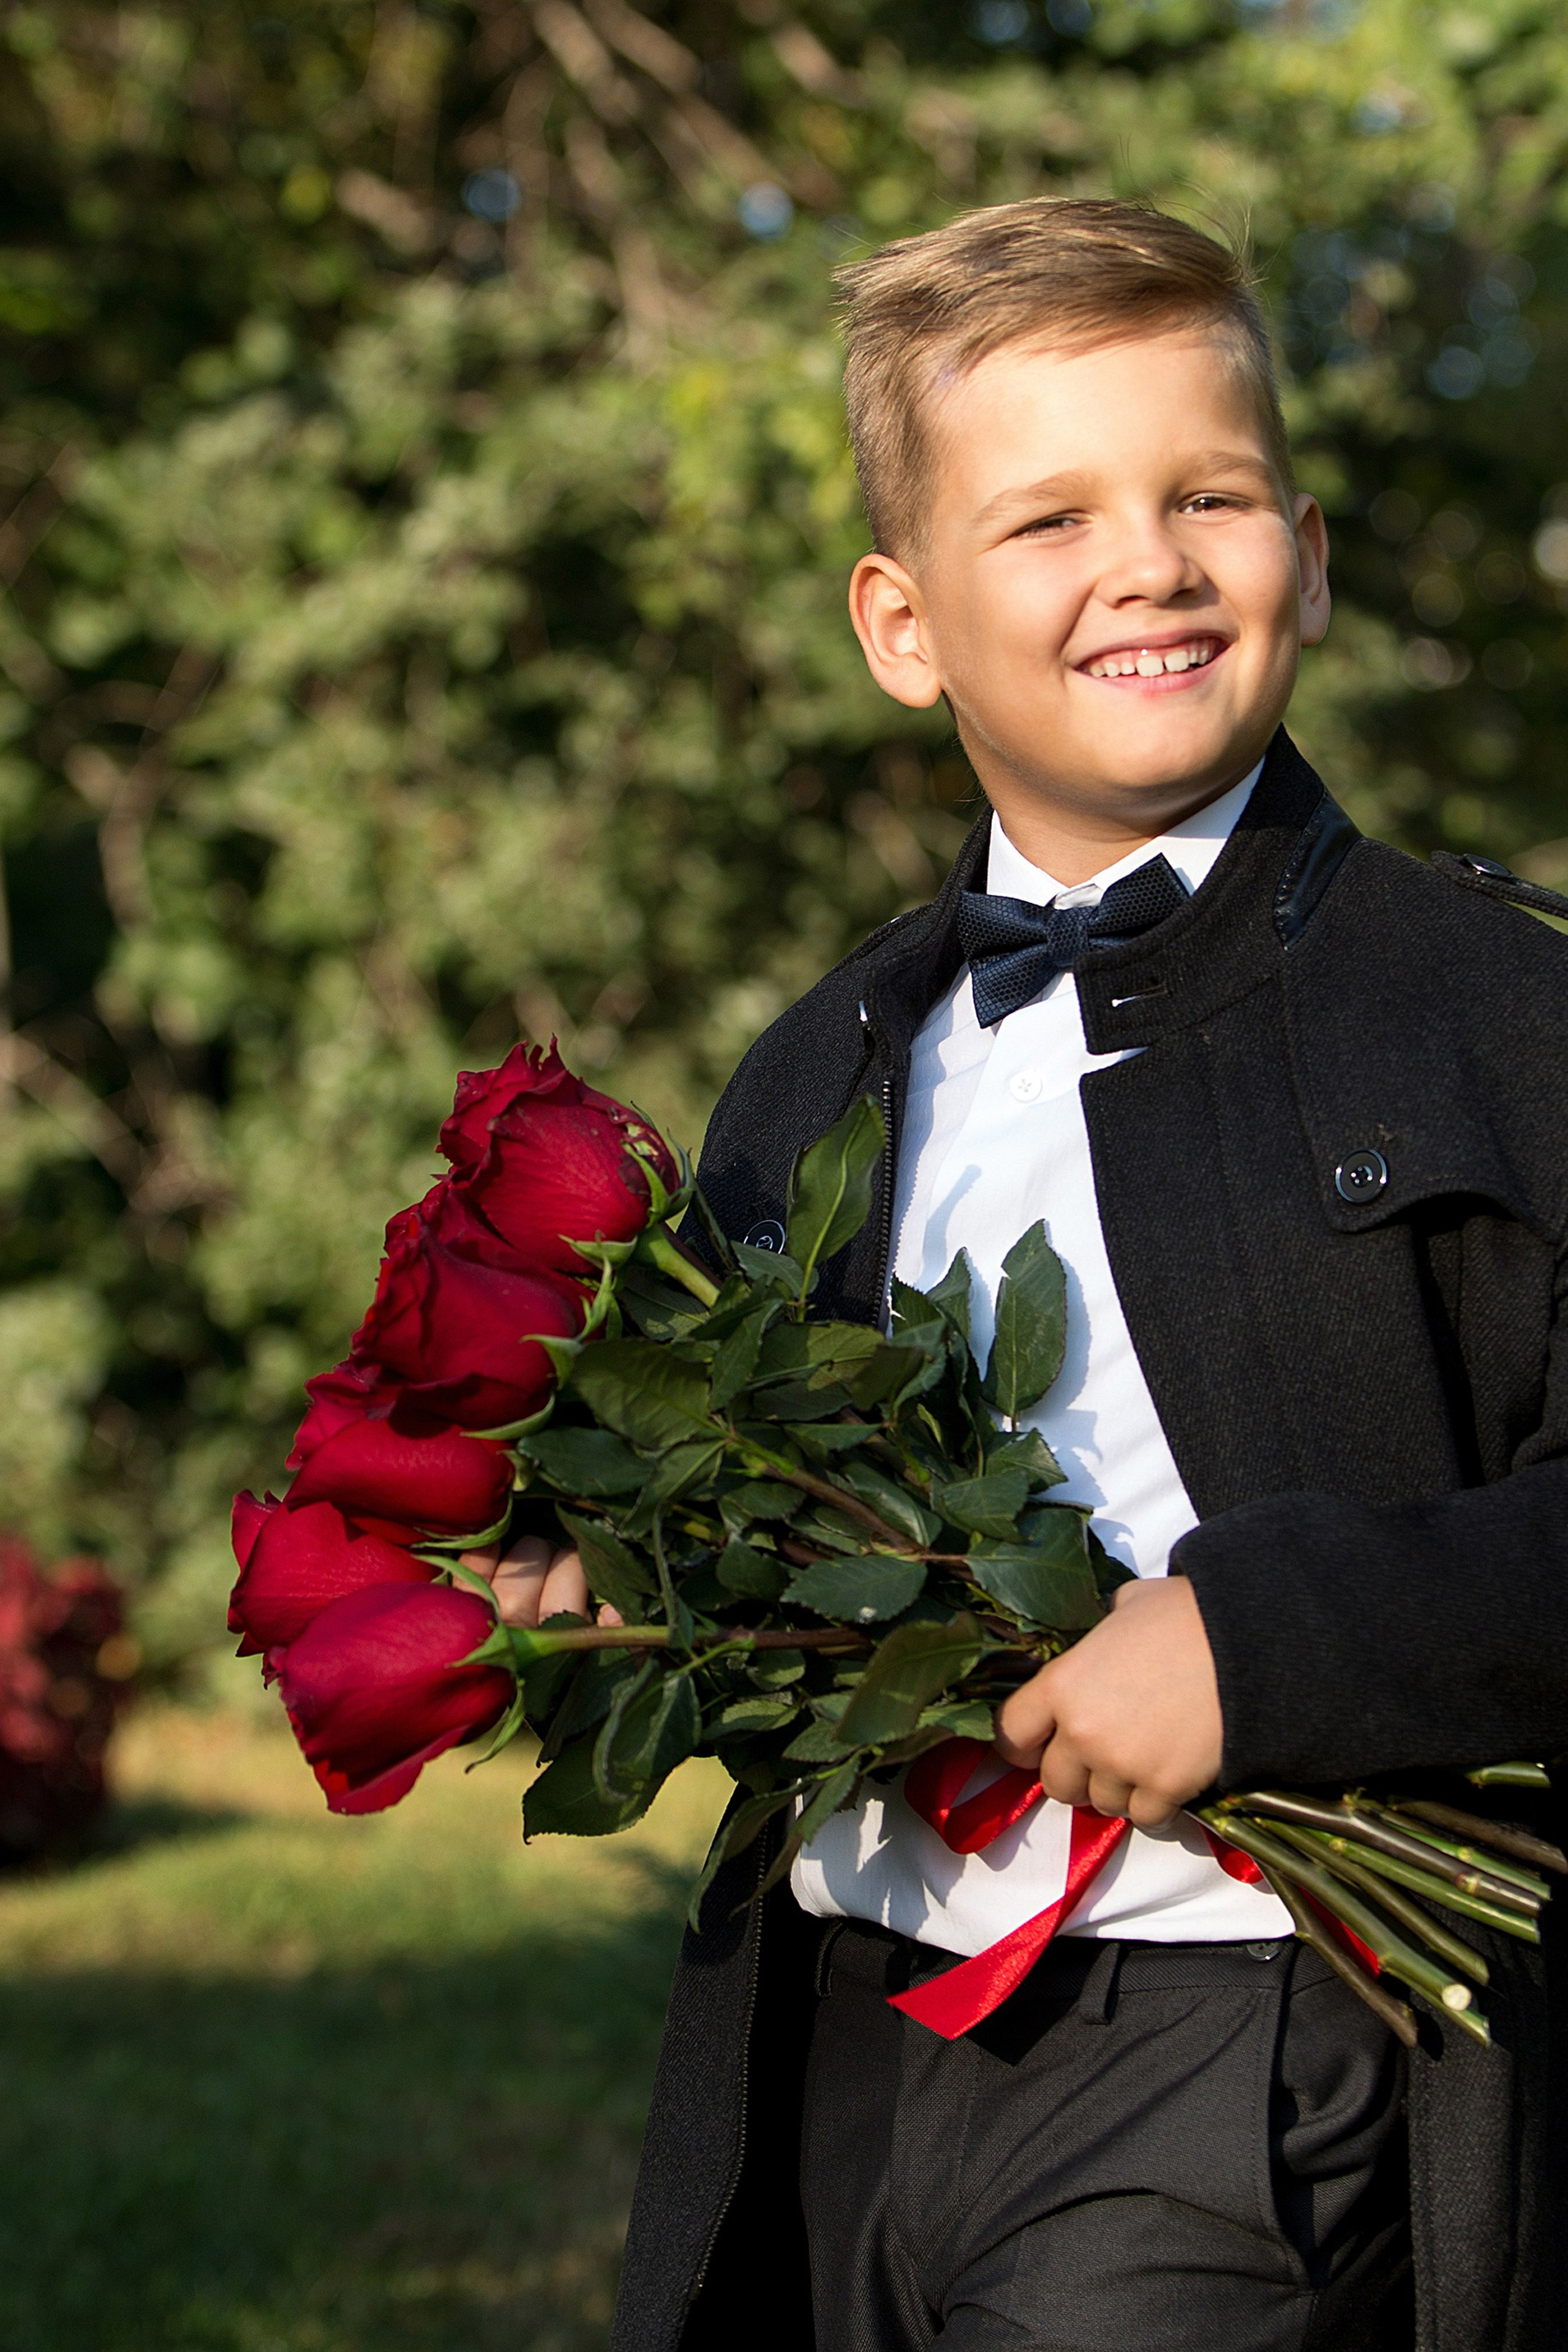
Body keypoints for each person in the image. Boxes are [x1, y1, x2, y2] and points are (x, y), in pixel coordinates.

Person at [488, 200, 1568, 2349]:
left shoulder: (1489, 1018)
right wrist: (599, 1562)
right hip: (853, 2023)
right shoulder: (825, 1067)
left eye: (1209, 495)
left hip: (1245, 2038)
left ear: (1313, 555)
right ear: (903, 626)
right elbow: (758, 1502)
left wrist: (1269, 1647)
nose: (1148, 564)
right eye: (1049, 517)